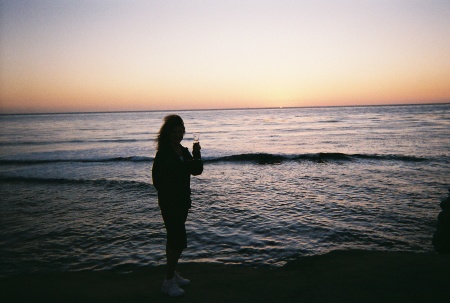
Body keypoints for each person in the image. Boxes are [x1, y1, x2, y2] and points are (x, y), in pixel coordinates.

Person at [152, 115, 203, 297]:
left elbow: (196, 171)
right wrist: (171, 194)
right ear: (168, 133)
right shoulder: (164, 154)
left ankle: (172, 274)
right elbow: (157, 180)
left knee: (172, 239)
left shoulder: (183, 150)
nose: (178, 135)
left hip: (182, 202)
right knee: (178, 241)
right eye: (174, 131)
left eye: (181, 131)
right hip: (170, 203)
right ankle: (167, 282)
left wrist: (197, 152)